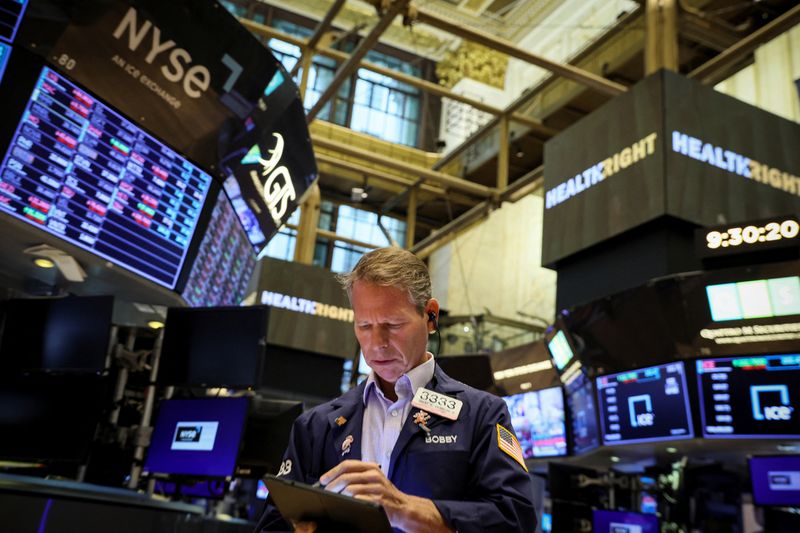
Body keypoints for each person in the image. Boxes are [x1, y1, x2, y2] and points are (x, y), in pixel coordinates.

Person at [255, 247, 536, 533]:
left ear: (430, 316)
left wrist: (405, 510)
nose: (377, 343)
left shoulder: (481, 415)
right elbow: (271, 526)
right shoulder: (315, 426)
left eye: (393, 324)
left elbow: (515, 517)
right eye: (364, 325)